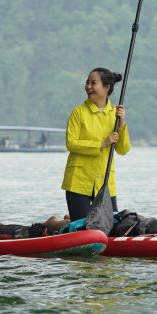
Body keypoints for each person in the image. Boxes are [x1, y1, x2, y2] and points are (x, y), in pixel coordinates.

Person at [61, 68, 131, 221]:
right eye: (87, 83)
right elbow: (71, 144)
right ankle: (56, 224)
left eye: (93, 83)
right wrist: (101, 144)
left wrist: (122, 123)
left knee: (112, 226)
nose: (88, 87)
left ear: (107, 87)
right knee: (81, 226)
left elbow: (123, 150)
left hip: (105, 181)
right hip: (79, 180)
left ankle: (62, 222)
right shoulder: (78, 112)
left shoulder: (116, 114)